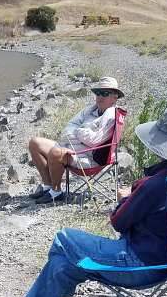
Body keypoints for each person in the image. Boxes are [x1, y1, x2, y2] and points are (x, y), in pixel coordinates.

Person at [0, 106, 167, 297]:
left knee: (64, 237)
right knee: (62, 264)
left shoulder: (156, 185)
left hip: (141, 266)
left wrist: (125, 199)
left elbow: (118, 222)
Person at [28, 76, 125, 205]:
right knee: (35, 143)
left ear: (115, 97)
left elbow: (93, 140)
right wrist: (80, 135)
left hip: (90, 158)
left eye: (105, 93)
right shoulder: (90, 111)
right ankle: (47, 187)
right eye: (98, 93)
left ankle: (56, 192)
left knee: (56, 152)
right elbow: (68, 128)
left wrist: (78, 131)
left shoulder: (111, 117)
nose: (100, 96)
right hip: (73, 148)